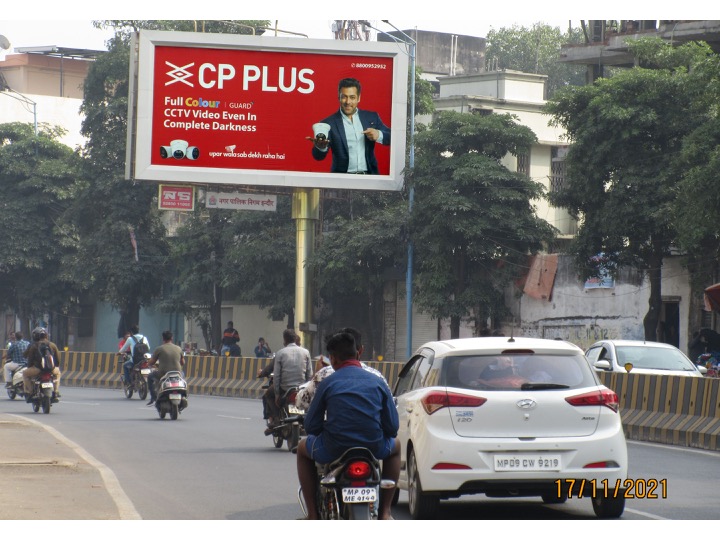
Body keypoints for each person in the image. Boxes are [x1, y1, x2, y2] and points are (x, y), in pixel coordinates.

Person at [296, 331, 400, 520]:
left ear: (333, 359)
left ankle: (312, 515)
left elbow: (311, 426)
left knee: (303, 448)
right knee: (397, 445)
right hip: (373, 445)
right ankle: (385, 512)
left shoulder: (328, 382)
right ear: (358, 353)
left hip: (334, 448)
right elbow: (392, 428)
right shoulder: (378, 381)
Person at [308, 77, 391, 174]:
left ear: (358, 98)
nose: (348, 102)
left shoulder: (371, 117)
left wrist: (378, 134)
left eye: (352, 97)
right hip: (341, 181)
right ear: (339, 97)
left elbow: (391, 137)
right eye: (344, 97)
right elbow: (318, 157)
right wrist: (320, 147)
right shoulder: (327, 123)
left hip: (370, 178)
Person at [296, 327, 388, 412]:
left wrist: (315, 375)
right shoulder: (378, 378)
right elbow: (392, 420)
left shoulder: (324, 377)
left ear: (332, 356)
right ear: (359, 351)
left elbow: (301, 403)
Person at [263, 329, 312, 435]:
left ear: (284, 340)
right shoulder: (306, 352)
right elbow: (309, 374)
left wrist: (276, 395)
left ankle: (276, 419)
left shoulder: (280, 353)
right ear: (295, 339)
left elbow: (277, 377)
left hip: (285, 388)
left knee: (267, 394)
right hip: (301, 388)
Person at [22, 327, 61, 402]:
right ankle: (55, 391)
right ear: (46, 336)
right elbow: (58, 358)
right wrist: (55, 366)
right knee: (58, 374)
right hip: (51, 369)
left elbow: (30, 359)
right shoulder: (52, 345)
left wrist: (29, 367)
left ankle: (30, 392)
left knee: (25, 374)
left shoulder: (34, 346)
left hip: (37, 369)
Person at [146, 330, 185, 406]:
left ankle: (153, 398)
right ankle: (184, 395)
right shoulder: (178, 348)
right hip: (178, 373)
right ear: (172, 338)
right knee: (183, 376)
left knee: (150, 376)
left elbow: (151, 362)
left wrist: (148, 364)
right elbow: (183, 362)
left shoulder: (159, 349)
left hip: (163, 373)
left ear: (163, 338)